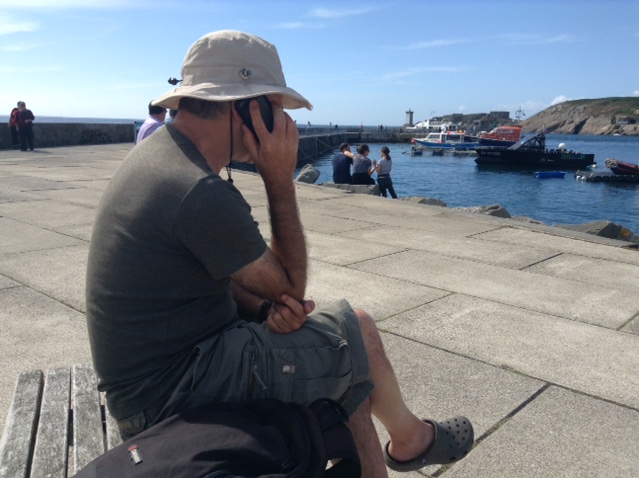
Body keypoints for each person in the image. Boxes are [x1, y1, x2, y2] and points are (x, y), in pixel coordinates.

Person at [85, 30, 473, 477]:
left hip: (159, 378)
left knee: (338, 360)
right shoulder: (196, 188)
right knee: (358, 333)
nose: (284, 122)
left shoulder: (164, 157)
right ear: (246, 108)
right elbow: (291, 283)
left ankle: (408, 440)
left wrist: (264, 307)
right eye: (275, 107)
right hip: (168, 394)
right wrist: (279, 177)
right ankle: (411, 439)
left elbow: (223, 275)